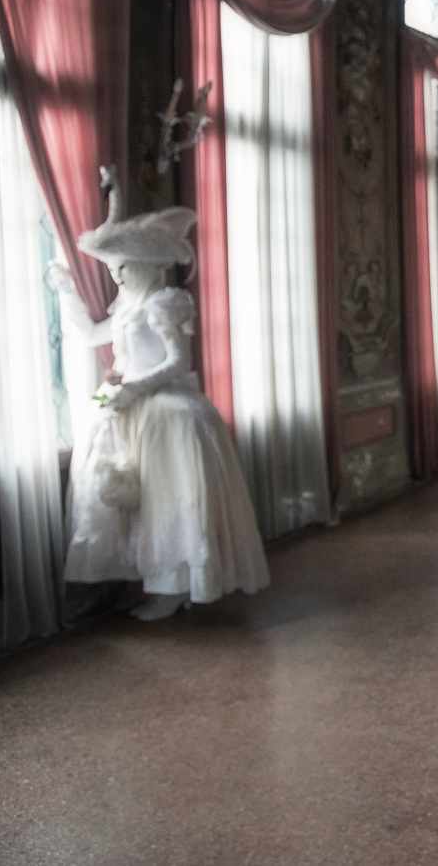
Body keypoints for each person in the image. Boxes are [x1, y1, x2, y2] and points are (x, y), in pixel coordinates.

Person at [51, 170, 268, 621]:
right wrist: (68, 291)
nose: (117, 277)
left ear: (146, 266)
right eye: (113, 271)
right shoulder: (128, 307)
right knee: (126, 494)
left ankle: (175, 584)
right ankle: (148, 580)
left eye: (123, 269)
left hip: (161, 403)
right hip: (128, 401)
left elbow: (177, 364)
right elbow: (92, 334)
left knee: (169, 499)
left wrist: (133, 389)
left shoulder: (164, 303)